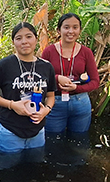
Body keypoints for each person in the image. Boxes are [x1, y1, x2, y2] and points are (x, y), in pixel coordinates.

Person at [0, 22, 56, 166]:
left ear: (36, 39)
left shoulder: (46, 66)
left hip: (37, 130)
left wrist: (45, 111)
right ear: (13, 42)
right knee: (9, 171)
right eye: (19, 38)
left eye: (29, 36)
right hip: (10, 130)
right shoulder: (4, 65)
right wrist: (12, 105)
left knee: (35, 170)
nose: (24, 41)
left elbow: (50, 96)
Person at [41, 13, 99, 163]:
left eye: (75, 27)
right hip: (55, 102)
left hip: (80, 103)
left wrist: (76, 88)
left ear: (80, 30)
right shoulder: (48, 51)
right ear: (59, 30)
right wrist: (56, 78)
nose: (70, 31)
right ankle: (55, 172)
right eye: (66, 27)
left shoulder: (86, 52)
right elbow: (40, 77)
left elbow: (95, 81)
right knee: (52, 141)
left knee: (79, 142)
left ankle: (76, 174)